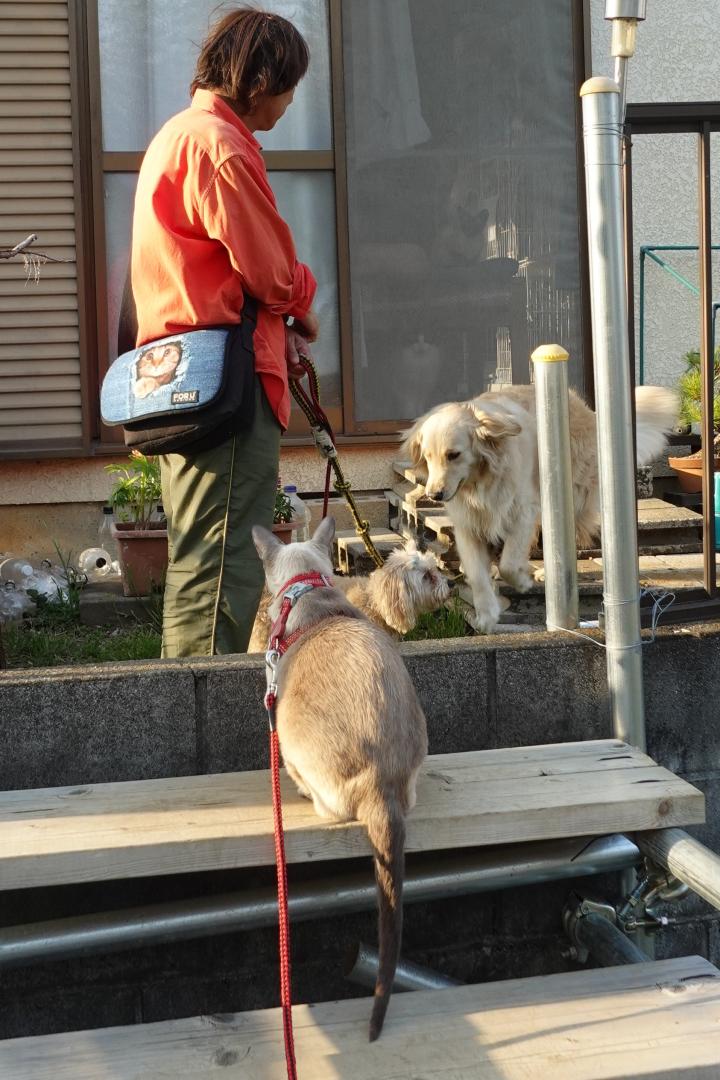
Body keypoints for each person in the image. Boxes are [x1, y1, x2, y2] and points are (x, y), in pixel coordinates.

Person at [129, 9, 319, 657]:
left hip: (181, 375)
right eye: (289, 86)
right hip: (227, 384)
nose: (290, 102)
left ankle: (180, 699)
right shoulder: (221, 147)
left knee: (198, 558)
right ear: (261, 80)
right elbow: (271, 273)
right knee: (224, 566)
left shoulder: (177, 135)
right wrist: (303, 304)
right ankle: (202, 709)